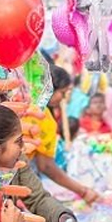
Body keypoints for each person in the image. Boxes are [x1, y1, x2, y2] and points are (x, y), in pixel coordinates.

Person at [31, 65, 101, 203]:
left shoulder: (32, 108)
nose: (63, 98)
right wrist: (83, 191)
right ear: (50, 88)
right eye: (62, 92)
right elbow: (45, 166)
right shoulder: (42, 116)